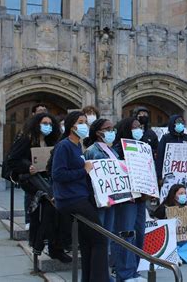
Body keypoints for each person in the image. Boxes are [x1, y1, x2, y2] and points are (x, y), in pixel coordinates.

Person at [52, 111, 110, 281]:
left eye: (85, 122)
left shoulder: (78, 145)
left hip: (79, 197)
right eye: (80, 122)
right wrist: (83, 170)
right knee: (100, 239)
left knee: (87, 242)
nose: (84, 125)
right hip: (72, 199)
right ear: (72, 126)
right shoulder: (64, 146)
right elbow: (58, 174)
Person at [7, 113, 70, 262]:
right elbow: (12, 160)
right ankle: (41, 243)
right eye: (44, 123)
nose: (47, 126)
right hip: (32, 181)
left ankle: (51, 245)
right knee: (49, 207)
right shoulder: (27, 140)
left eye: (50, 123)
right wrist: (27, 167)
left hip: (48, 180)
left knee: (54, 210)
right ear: (37, 124)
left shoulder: (53, 141)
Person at [112, 117, 147, 282]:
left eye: (140, 126)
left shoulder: (143, 147)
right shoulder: (118, 149)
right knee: (126, 233)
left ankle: (134, 270)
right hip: (127, 199)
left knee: (139, 234)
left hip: (141, 197)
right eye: (135, 127)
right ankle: (124, 272)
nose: (139, 129)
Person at [83, 119, 118, 241]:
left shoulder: (112, 150)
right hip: (99, 200)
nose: (111, 132)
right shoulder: (92, 151)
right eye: (108, 129)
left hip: (112, 198)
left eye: (113, 129)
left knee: (109, 233)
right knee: (100, 233)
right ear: (98, 133)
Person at [152, 184, 187, 264]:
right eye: (180, 193)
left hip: (183, 238)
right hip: (170, 238)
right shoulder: (163, 209)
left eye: (184, 193)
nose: (183, 195)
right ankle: (186, 255)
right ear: (173, 195)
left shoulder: (186, 209)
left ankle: (179, 255)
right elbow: (156, 225)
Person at [156, 115, 187, 183]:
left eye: (182, 123)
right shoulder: (166, 138)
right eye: (178, 122)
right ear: (172, 124)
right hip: (169, 175)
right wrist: (159, 176)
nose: (180, 124)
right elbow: (160, 157)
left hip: (184, 175)